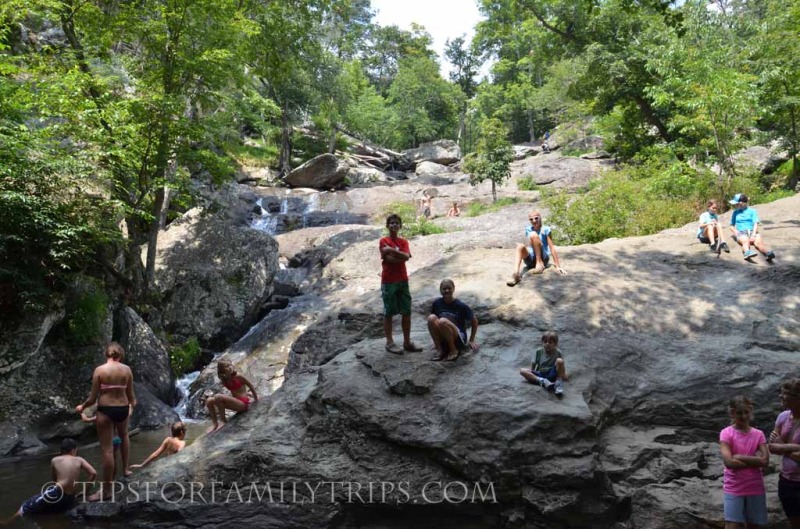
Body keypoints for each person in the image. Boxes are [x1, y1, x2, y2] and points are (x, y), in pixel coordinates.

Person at [75, 342, 135, 501]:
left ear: (106, 355)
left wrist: (83, 406)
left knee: (107, 451)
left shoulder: (100, 370)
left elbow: (93, 398)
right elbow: (131, 397)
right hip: (122, 408)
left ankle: (107, 490)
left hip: (105, 410)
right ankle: (126, 469)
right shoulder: (127, 370)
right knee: (124, 436)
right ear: (120, 355)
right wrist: (131, 408)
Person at [1, 438, 96, 525]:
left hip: (58, 493)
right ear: (73, 450)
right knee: (52, 508)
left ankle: (8, 522)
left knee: (25, 506)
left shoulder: (55, 460)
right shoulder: (79, 459)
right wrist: (85, 492)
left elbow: (54, 480)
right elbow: (93, 473)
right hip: (70, 498)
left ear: (61, 451)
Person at [720, 396, 769, 529]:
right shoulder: (726, 433)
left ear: (751, 411)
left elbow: (765, 461)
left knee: (755, 525)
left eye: (746, 412)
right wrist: (755, 461)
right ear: (732, 413)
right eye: (739, 412)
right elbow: (729, 462)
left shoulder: (758, 434)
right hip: (733, 487)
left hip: (755, 487)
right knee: (732, 525)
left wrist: (740, 457)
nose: (743, 416)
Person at [380, 214, 423, 355]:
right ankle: (390, 342)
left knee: (407, 311)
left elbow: (405, 257)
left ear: (400, 226)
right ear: (388, 225)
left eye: (397, 223)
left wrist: (391, 251)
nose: (394, 225)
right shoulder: (383, 240)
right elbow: (391, 260)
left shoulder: (403, 242)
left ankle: (407, 342)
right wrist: (401, 256)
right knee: (389, 312)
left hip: (403, 280)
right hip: (389, 281)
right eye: (391, 223)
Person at [768, 379, 800, 528]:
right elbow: (772, 447)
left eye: (785, 394)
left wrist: (783, 446)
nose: (780, 396)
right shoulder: (783, 417)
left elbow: (778, 445)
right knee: (794, 521)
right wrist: (793, 448)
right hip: (786, 480)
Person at [506, 210, 565, 287]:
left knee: (534, 235)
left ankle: (539, 263)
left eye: (536, 218)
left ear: (540, 218)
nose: (534, 221)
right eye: (531, 219)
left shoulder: (546, 229)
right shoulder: (528, 229)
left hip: (543, 258)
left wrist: (558, 266)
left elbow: (552, 247)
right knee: (520, 246)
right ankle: (516, 274)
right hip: (531, 259)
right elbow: (530, 244)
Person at [427, 279, 479, 362]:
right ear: (440, 290)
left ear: (453, 289)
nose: (447, 290)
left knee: (442, 321)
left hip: (458, 338)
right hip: (443, 335)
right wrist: (436, 339)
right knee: (431, 318)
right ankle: (439, 350)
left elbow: (474, 320)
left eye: (449, 288)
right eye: (444, 289)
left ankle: (454, 350)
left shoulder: (461, 305)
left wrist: (472, 339)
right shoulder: (437, 303)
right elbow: (434, 322)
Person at [205, 359, 258, 434]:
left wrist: (256, 399)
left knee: (218, 396)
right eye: (227, 366)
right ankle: (215, 424)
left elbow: (250, 386)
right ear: (222, 371)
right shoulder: (225, 380)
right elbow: (237, 391)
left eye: (230, 365)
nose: (230, 367)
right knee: (209, 401)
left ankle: (223, 420)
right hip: (235, 403)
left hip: (243, 404)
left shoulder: (238, 376)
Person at [519, 331, 568, 397]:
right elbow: (533, 364)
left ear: (555, 344)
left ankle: (558, 383)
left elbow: (561, 364)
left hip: (552, 373)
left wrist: (563, 373)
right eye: (545, 342)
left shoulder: (558, 352)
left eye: (550, 342)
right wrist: (532, 374)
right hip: (541, 374)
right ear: (542, 342)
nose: (547, 344)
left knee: (560, 360)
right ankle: (543, 381)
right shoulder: (538, 351)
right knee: (522, 371)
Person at [729, 194, 775, 262]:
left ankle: (768, 253)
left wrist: (753, 234)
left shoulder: (752, 211)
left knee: (758, 244)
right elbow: (731, 225)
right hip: (741, 232)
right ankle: (747, 253)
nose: (735, 205)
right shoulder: (735, 212)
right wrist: (736, 232)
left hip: (752, 231)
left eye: (736, 204)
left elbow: (755, 223)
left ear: (741, 203)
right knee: (745, 241)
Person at [80, 407, 125, 478]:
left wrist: (81, 412)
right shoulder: (115, 414)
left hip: (108, 440)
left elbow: (86, 420)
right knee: (114, 460)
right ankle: (113, 478)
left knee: (107, 460)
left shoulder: (102, 416)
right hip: (116, 439)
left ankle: (107, 480)